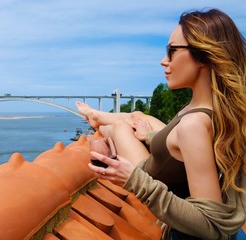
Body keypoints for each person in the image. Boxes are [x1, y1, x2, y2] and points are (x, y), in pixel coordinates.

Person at [76, 8, 246, 239]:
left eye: (172, 51)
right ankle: (99, 119)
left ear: (204, 55)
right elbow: (191, 148)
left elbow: (211, 226)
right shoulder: (212, 111)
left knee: (118, 128)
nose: (163, 61)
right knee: (137, 117)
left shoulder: (193, 124)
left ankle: (99, 122)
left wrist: (134, 180)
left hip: (149, 173)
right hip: (162, 158)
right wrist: (149, 136)